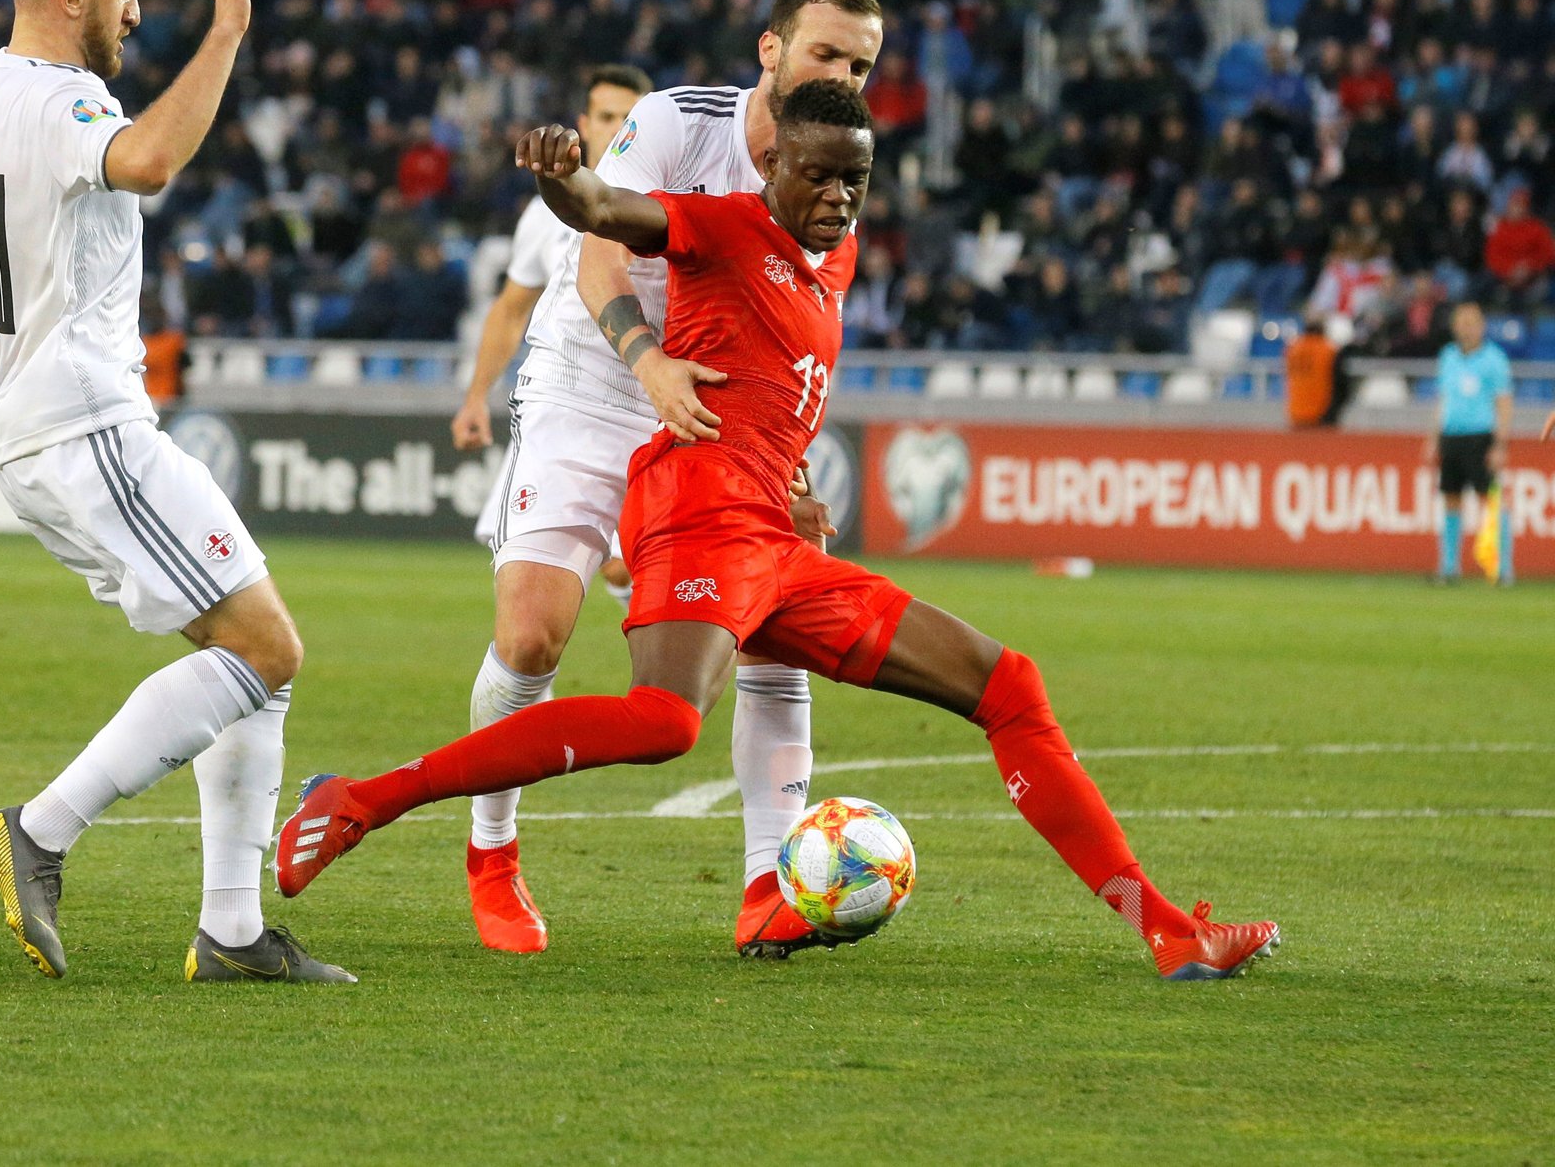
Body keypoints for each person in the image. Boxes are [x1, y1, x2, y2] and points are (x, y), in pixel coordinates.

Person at [275, 80, 1281, 983]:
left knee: (1006, 682)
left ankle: (1162, 928)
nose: (840, 197)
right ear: (771, 165)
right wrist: (564, 181)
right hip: (694, 511)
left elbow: (771, 384)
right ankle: (363, 798)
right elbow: (609, 214)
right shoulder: (720, 225)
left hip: (772, 539)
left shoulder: (827, 267)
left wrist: (793, 476)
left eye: (856, 179)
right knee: (666, 720)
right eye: (820, 176)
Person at [0, 0, 349, 984]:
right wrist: (227, 31)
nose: (133, 9)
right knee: (268, 651)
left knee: (252, 658)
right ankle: (40, 832)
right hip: (87, 420)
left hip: (29, 431)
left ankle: (233, 931)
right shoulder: (66, 99)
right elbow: (151, 159)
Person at [459, 0, 884, 959]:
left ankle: (767, 885)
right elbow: (596, 249)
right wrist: (645, 361)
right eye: (825, 55)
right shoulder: (675, 123)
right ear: (770, 50)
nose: (842, 77)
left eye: (860, 65)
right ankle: (491, 850)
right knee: (529, 638)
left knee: (768, 629)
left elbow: (796, 341)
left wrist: (784, 465)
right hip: (593, 384)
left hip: (712, 416)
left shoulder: (831, 183)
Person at [457, 66, 650, 721]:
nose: (614, 128)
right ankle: (494, 810)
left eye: (629, 116)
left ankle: (654, 674)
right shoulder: (547, 214)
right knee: (528, 636)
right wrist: (474, 396)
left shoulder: (671, 201)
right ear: (585, 121)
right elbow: (511, 309)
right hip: (566, 413)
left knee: (633, 577)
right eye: (602, 115)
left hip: (654, 418)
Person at [1426, 302, 1513, 585]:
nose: (1466, 328)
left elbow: (1504, 404)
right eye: (1462, 322)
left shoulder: (1494, 360)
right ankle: (1449, 567)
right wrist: (1434, 437)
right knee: (1451, 499)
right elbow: (1443, 400)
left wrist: (1500, 445)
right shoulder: (1448, 356)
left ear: (1482, 326)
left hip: (1480, 436)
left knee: (1491, 501)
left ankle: (1501, 567)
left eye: (1472, 322)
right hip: (1452, 435)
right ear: (1454, 326)